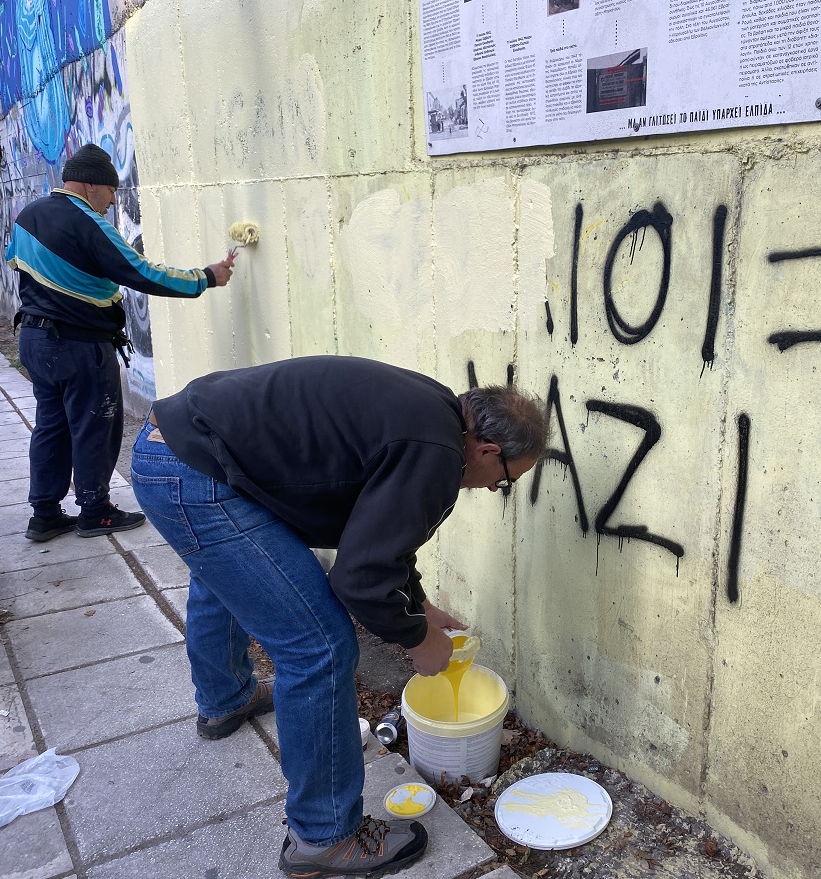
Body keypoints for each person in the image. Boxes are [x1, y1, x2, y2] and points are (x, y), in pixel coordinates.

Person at [129, 356, 549, 878]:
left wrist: (418, 604)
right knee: (320, 646)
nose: (492, 489)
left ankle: (225, 699)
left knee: (228, 575)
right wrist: (417, 640)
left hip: (175, 446)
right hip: (195, 476)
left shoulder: (437, 411)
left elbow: (381, 528)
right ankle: (324, 837)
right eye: (504, 480)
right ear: (487, 450)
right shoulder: (438, 451)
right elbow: (358, 578)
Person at [7, 143, 234, 542]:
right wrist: (206, 277)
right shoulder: (88, 222)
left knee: (51, 425)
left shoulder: (27, 215)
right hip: (78, 346)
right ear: (91, 185)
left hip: (35, 341)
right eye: (111, 191)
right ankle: (94, 510)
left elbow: (15, 262)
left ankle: (43, 514)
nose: (113, 201)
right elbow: (140, 272)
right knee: (95, 426)